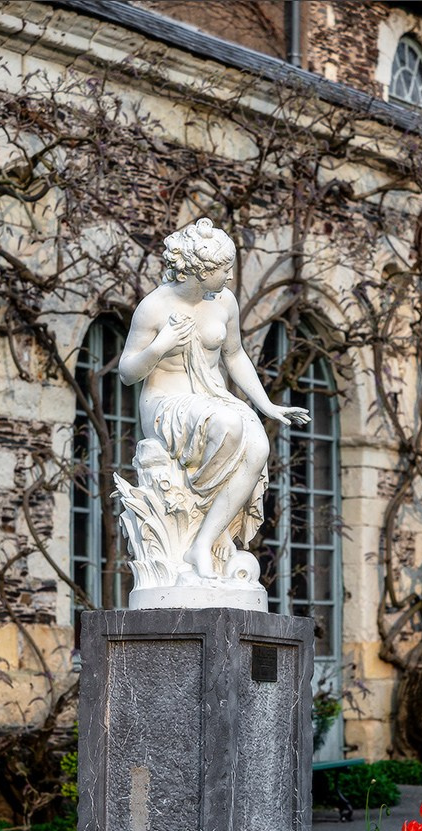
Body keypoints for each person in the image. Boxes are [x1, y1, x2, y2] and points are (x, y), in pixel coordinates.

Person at [118, 218, 309, 581]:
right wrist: (161, 346)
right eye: (224, 270)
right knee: (228, 425)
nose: (230, 278)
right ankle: (205, 515)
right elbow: (128, 372)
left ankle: (203, 540)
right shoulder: (154, 308)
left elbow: (235, 356)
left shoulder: (224, 301)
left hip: (212, 397)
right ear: (199, 271)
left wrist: (266, 405)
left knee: (257, 446)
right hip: (165, 403)